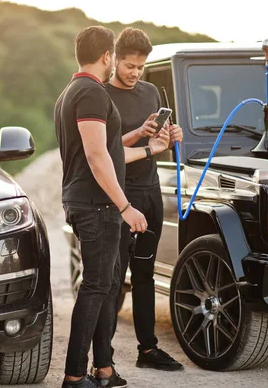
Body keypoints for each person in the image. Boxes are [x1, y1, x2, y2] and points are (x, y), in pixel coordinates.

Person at [55, 26, 172, 388]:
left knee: (103, 286)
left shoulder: (72, 91)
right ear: (108, 56)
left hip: (87, 200)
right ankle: (75, 375)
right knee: (97, 286)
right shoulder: (91, 92)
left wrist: (144, 142)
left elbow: (106, 149)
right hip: (96, 205)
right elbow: (95, 155)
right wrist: (125, 206)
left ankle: (102, 369)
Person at [104, 27, 184, 372]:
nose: (135, 73)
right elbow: (104, 150)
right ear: (115, 58)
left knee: (144, 275)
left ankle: (147, 350)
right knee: (112, 277)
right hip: (119, 195)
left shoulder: (151, 92)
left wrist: (173, 134)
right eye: (129, 65)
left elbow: (161, 141)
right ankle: (103, 358)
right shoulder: (101, 95)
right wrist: (143, 142)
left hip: (150, 191)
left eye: (140, 66)